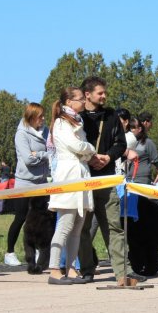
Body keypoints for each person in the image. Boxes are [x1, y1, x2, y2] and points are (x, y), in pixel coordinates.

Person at [75, 77, 137, 287]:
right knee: (82, 228)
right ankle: (86, 269)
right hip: (83, 180)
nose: (104, 96)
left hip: (107, 179)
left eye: (105, 92)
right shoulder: (77, 117)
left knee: (114, 227)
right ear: (88, 94)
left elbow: (121, 144)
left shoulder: (112, 116)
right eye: (100, 93)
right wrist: (89, 158)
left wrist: (108, 157)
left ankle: (123, 272)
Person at [46, 87, 96, 285]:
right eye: (80, 99)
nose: (84, 101)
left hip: (81, 176)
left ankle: (71, 268)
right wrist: (91, 149)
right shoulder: (61, 123)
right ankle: (54, 269)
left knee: (77, 228)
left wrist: (86, 152)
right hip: (68, 177)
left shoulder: (77, 121)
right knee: (64, 225)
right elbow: (77, 146)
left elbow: (81, 150)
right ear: (69, 101)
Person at [5, 103, 50, 267]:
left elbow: (53, 152)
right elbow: (28, 159)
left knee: (40, 219)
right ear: (31, 117)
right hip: (24, 182)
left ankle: (36, 250)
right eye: (40, 116)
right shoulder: (21, 134)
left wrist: (40, 154)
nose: (43, 119)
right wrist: (45, 156)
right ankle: (9, 252)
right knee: (21, 218)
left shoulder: (46, 131)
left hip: (42, 183)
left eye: (43, 115)